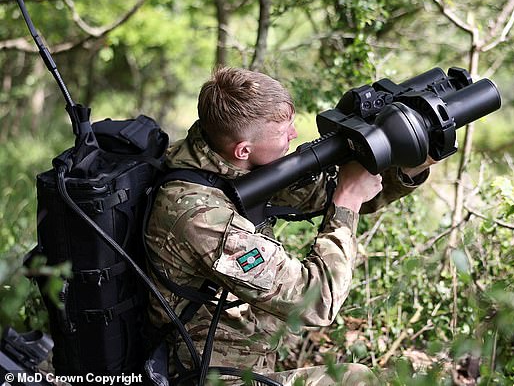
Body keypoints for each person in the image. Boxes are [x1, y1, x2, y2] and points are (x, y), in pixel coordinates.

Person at [145, 66, 434, 385]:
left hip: (252, 355)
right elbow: (314, 302)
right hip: (213, 377)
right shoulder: (200, 217)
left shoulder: (221, 161)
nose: (295, 135)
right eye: (284, 131)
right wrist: (347, 201)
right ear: (243, 149)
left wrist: (410, 167)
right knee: (360, 380)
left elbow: (319, 195)